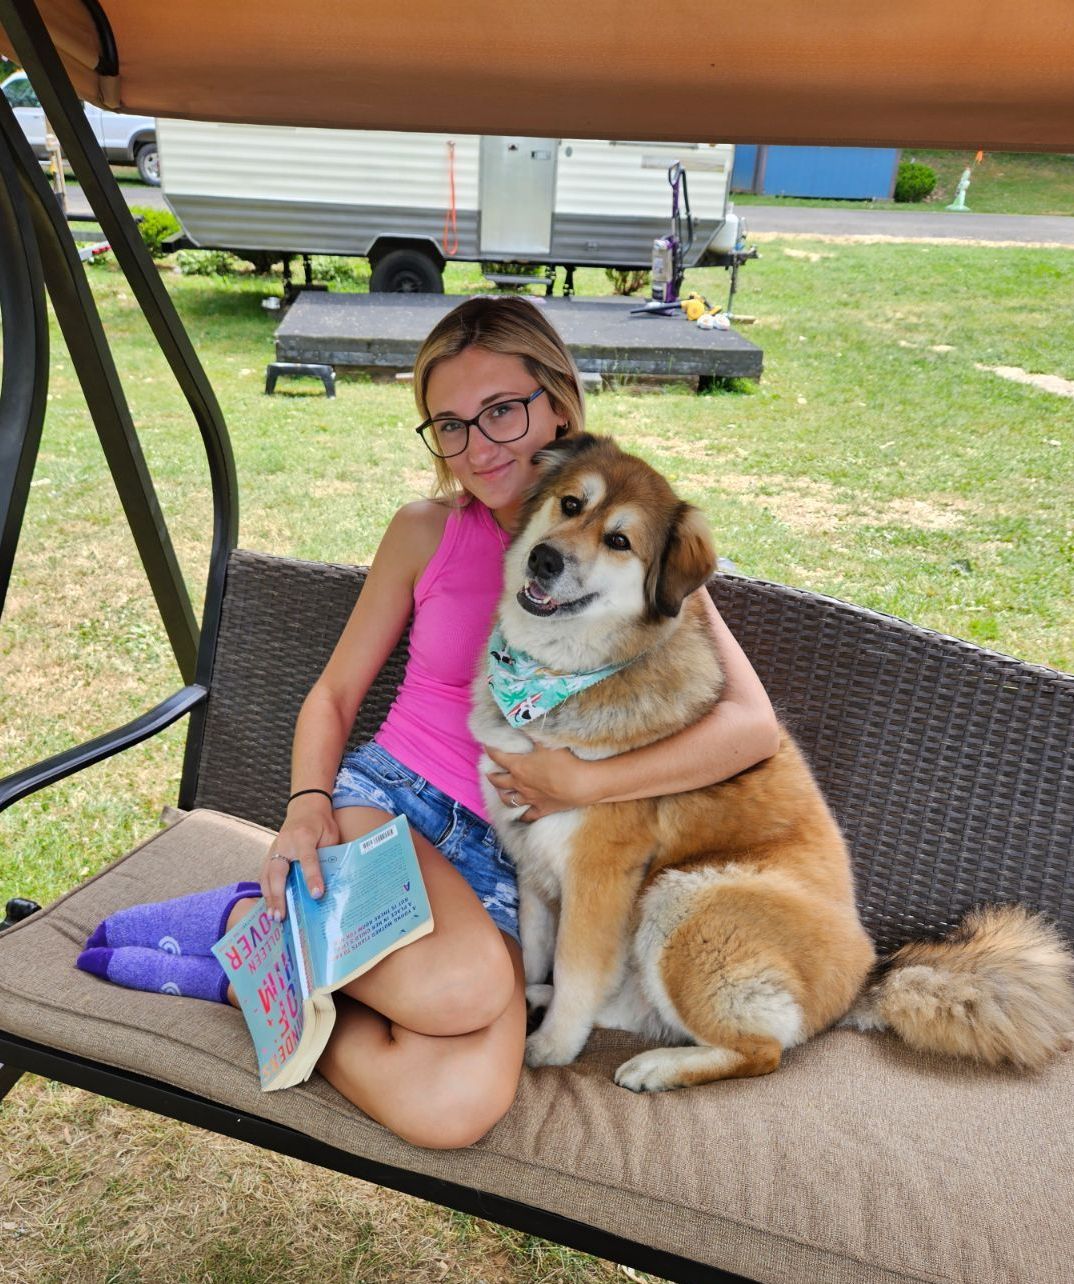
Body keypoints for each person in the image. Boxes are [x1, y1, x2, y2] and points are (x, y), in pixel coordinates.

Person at [77, 296, 780, 1149]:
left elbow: (749, 727)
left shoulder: (633, 538)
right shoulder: (426, 533)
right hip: (393, 809)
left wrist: (585, 783)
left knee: (450, 1109)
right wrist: (306, 805)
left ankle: (251, 970)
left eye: (502, 412)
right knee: (462, 991)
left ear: (558, 403)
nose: (480, 447)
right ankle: (242, 918)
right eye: (449, 424)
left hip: (517, 863)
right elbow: (335, 695)